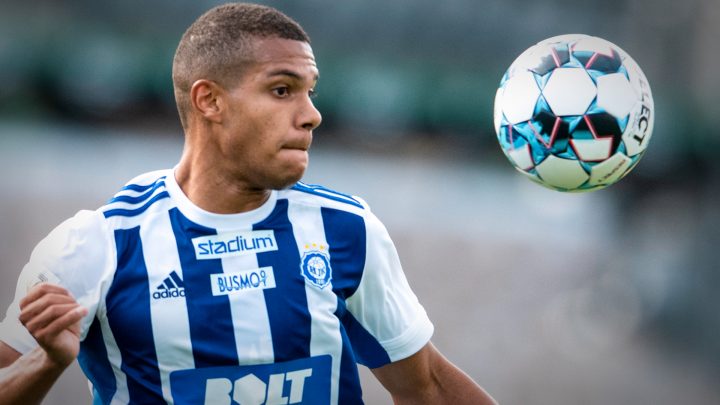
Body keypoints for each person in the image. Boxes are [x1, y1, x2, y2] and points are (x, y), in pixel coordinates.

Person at [0, 3, 497, 404]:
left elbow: (425, 386)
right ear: (209, 101)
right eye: (282, 90)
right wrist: (45, 363)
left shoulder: (346, 230)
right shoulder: (96, 245)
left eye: (310, 92)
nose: (312, 115)